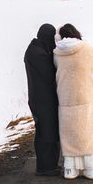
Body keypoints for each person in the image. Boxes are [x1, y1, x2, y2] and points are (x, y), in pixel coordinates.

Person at [52, 23, 93, 180]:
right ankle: (92, 169)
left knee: (69, 133)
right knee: (89, 132)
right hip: (86, 97)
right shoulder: (88, 49)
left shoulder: (57, 53)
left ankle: (70, 169)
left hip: (66, 99)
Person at [23, 23, 61, 176]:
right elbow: (50, 74)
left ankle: (48, 165)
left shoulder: (36, 49)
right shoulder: (38, 54)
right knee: (47, 132)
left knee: (46, 131)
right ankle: (46, 167)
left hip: (40, 99)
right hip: (43, 100)